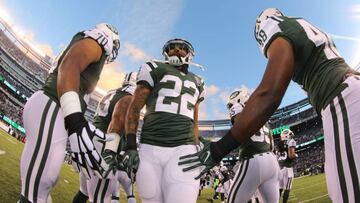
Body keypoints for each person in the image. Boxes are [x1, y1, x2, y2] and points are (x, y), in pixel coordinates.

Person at [179, 8, 360, 203]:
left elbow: (269, 94)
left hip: (340, 97)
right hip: (345, 91)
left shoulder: (276, 26)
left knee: (348, 194)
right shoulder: (301, 25)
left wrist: (218, 149)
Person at [20, 23, 121, 203]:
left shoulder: (92, 41)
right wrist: (75, 120)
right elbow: (70, 65)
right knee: (36, 190)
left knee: (43, 188)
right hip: (53, 107)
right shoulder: (99, 39)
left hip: (54, 110)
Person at [123, 38, 206, 203]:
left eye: (181, 47)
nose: (176, 50)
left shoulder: (198, 81)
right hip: (150, 148)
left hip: (184, 148)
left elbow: (194, 121)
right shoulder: (154, 68)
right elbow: (134, 108)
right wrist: (131, 144)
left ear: (190, 53)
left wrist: (197, 148)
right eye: (171, 48)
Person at [72, 72, 137, 203]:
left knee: (83, 192)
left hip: (91, 141)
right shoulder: (129, 98)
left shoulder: (112, 92)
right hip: (104, 146)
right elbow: (117, 122)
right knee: (101, 198)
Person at [277, 129, 297, 203]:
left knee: (280, 188)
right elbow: (291, 155)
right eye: (290, 134)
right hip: (288, 169)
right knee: (287, 188)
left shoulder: (279, 144)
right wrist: (295, 155)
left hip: (280, 169)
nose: (291, 136)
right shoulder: (291, 142)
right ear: (286, 136)